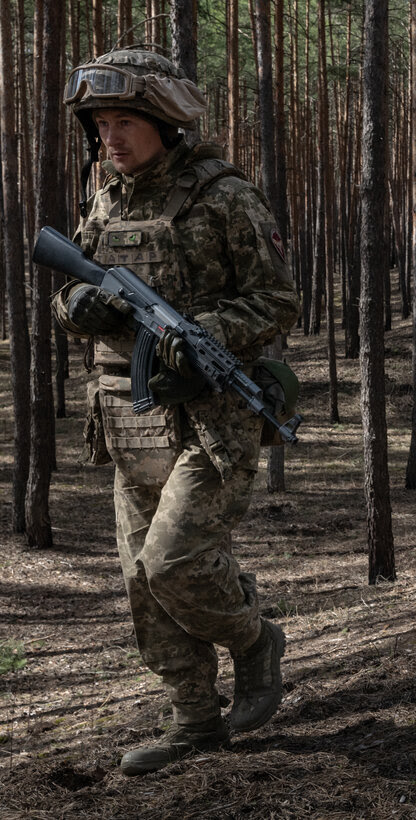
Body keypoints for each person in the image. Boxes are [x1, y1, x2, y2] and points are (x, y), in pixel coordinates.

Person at [51, 49, 299, 775]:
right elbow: (66, 291)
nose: (111, 138)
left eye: (125, 121)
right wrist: (79, 305)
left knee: (174, 562)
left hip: (213, 420)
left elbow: (280, 299)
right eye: (100, 124)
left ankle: (255, 641)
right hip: (130, 419)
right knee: (141, 582)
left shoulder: (225, 197)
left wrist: (205, 334)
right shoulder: (106, 203)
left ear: (164, 122)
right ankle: (194, 720)